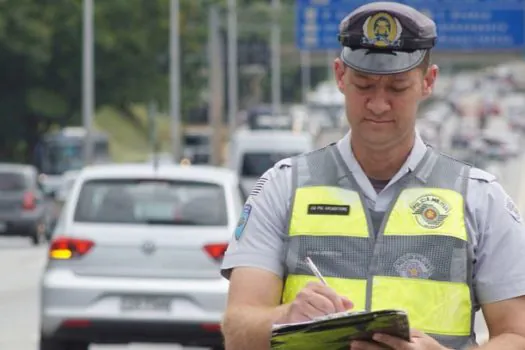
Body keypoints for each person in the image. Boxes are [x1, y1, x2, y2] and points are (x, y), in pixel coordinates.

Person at [220, 2, 525, 350]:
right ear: (339, 76)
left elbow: (518, 335)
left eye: (397, 89)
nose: (379, 104)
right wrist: (286, 316)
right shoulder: (283, 187)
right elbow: (237, 329)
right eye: (364, 85)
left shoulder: (479, 198)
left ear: (428, 82)